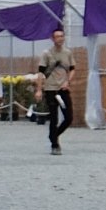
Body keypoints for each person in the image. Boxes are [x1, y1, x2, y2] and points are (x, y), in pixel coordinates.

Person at [35, 24, 76, 155]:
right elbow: (40, 72)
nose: (60, 39)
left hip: (63, 88)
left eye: (62, 36)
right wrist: (39, 89)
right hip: (50, 89)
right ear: (52, 39)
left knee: (69, 117)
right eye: (57, 37)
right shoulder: (47, 54)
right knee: (54, 117)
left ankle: (54, 135)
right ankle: (55, 144)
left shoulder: (68, 53)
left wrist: (67, 81)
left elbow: (72, 69)